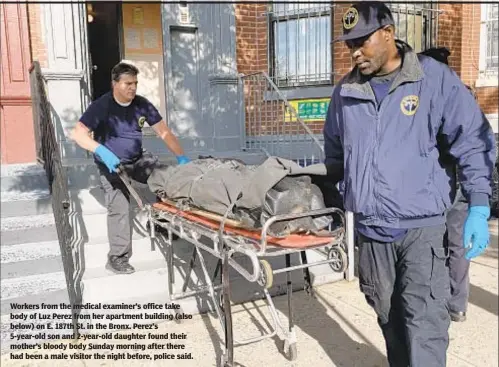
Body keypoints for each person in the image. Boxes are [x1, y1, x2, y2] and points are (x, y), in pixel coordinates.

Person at [324, 2, 496, 366]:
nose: (354, 53)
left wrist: (479, 203)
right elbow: (336, 157)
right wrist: (324, 200)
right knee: (389, 319)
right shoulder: (345, 93)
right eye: (348, 45)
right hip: (371, 234)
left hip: (421, 233)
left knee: (426, 326)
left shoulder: (433, 79)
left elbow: (473, 140)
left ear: (388, 32)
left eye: (362, 41)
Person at [70, 62, 190, 275]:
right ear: (115, 84)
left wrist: (181, 157)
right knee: (120, 207)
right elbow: (78, 134)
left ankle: (162, 223)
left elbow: (164, 132)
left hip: (137, 159)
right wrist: (102, 151)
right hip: (111, 164)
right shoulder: (102, 105)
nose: (132, 88)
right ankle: (117, 257)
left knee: (167, 178)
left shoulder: (142, 104)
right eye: (128, 83)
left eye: (135, 83)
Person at [419, 46, 476, 322]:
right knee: (458, 244)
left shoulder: (430, 96)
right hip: (463, 179)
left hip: (442, 180)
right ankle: (458, 304)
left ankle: (442, 300)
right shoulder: (463, 92)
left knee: (436, 243)